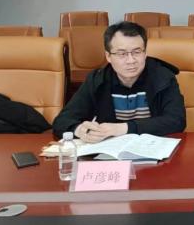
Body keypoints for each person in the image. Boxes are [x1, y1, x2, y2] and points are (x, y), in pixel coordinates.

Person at [52, 21, 186, 141]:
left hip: (153, 148)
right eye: (122, 54)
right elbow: (62, 121)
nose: (131, 60)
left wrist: (123, 128)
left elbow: (177, 120)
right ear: (108, 56)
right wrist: (80, 130)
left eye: (137, 52)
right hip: (109, 151)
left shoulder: (163, 76)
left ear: (145, 53)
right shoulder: (97, 80)